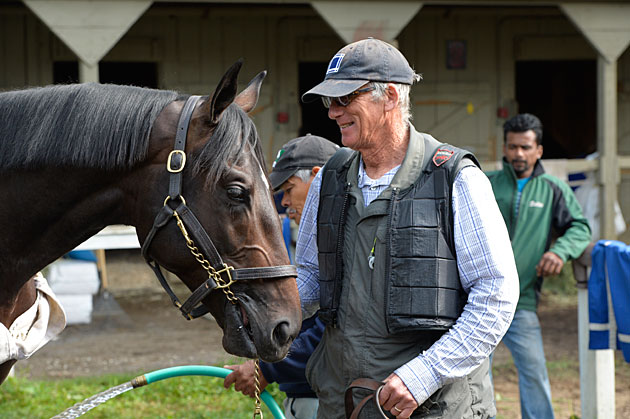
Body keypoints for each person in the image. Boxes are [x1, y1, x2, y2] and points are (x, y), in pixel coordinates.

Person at [297, 38, 519, 419]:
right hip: (342, 401)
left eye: (345, 99)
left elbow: (496, 294)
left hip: (431, 405)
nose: (333, 112)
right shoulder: (328, 178)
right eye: (329, 102)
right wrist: (265, 314)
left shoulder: (454, 178)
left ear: (391, 98)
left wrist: (426, 373)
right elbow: (310, 277)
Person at [224, 134, 338, 419]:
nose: (284, 202)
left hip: (325, 401)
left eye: (289, 189)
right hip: (304, 395)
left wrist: (268, 368)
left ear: (317, 177)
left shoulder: (343, 238)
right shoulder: (313, 238)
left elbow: (335, 331)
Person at [486, 113, 591, 419]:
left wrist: (560, 251)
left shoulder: (553, 188)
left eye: (526, 147)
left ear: (539, 150)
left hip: (523, 299)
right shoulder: (487, 183)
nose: (519, 153)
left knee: (534, 372)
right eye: (513, 147)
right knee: (475, 375)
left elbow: (580, 228)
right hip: (481, 299)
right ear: (505, 149)